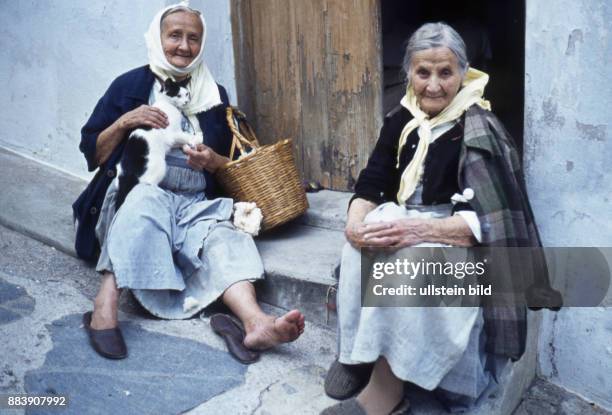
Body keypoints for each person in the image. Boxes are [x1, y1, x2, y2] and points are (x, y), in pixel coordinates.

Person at [321, 22, 547, 415]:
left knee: (408, 263)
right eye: (423, 72)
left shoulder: (478, 127)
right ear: (408, 71)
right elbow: (372, 182)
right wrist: (356, 225)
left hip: (458, 238)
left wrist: (413, 230)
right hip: (410, 219)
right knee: (360, 250)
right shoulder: (401, 116)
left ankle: (383, 396)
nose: (434, 85)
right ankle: (357, 356)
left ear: (463, 71)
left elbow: (484, 223)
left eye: (446, 72)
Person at [73, 2, 304, 360]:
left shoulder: (215, 96)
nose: (183, 46)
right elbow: (93, 154)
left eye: (193, 38)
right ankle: (104, 305)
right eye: (174, 36)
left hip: (194, 203)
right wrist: (124, 122)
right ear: (158, 37)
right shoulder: (129, 86)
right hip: (140, 190)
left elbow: (235, 166)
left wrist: (213, 161)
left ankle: (255, 322)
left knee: (225, 236)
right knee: (142, 205)